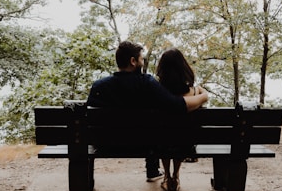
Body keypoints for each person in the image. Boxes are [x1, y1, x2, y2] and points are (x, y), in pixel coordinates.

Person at [86, 41, 208, 182]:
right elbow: (178, 105)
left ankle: (86, 183)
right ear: (133, 61)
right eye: (141, 59)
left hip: (104, 145)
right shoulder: (147, 84)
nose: (143, 62)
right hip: (142, 146)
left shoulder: (99, 86)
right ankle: (154, 171)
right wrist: (203, 96)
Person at [156, 48, 202, 191]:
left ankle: (167, 176)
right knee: (181, 135)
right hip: (185, 144)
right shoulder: (194, 93)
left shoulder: (157, 92)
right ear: (184, 67)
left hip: (160, 143)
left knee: (163, 137)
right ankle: (175, 176)